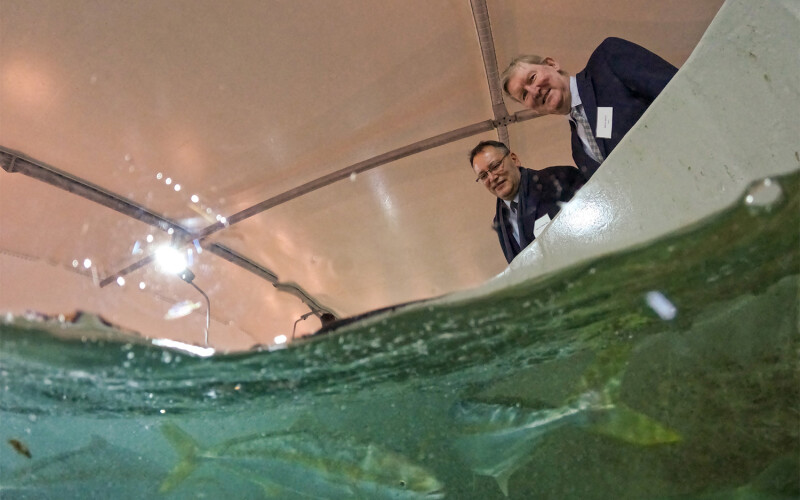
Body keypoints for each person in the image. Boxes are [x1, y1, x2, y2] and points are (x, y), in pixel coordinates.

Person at [501, 37, 677, 178]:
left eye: (532, 78)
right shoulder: (578, 152)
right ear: (531, 108)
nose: (534, 91)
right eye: (524, 95)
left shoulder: (607, 60)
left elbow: (678, 90)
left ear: (551, 64)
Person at [470, 140, 586, 263]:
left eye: (495, 166)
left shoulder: (560, 179)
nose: (492, 178)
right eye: (483, 176)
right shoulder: (500, 221)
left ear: (514, 159)